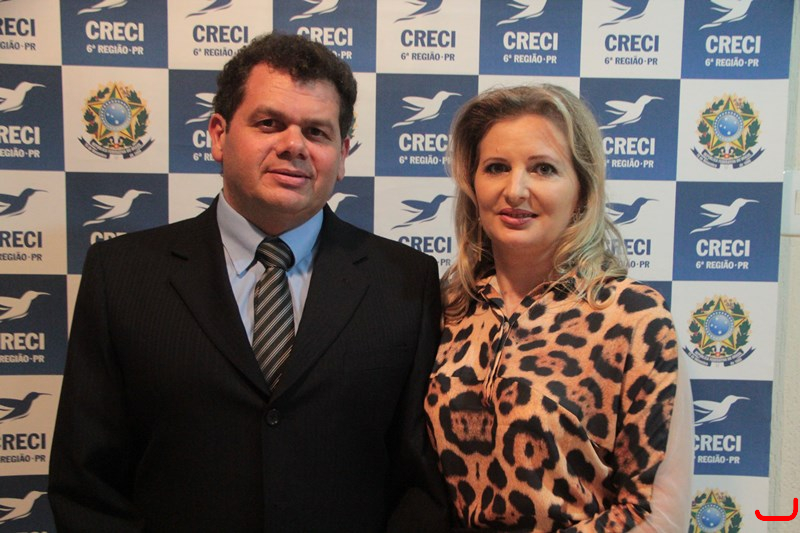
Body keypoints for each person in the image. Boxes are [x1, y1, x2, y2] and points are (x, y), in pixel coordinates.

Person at [49, 32, 447, 532]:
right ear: (218, 135)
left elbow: (419, 481)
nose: (294, 146)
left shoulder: (405, 281)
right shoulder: (122, 273)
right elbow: (87, 482)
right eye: (269, 123)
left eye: (317, 132)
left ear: (343, 154)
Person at [424, 84, 690, 531]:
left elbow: (656, 513)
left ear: (582, 190)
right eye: (496, 168)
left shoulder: (633, 318)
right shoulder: (447, 308)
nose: (515, 190)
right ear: (473, 185)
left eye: (543, 169)